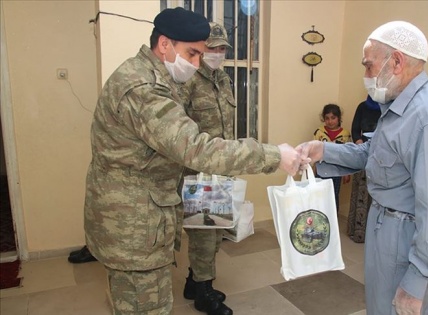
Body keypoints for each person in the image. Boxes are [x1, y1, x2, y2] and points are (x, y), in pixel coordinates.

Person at [83, 8, 300, 315]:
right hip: (135, 221)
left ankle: (201, 283)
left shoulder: (154, 76)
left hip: (150, 212)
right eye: (193, 53)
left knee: (210, 237)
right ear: (164, 45)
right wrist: (274, 155)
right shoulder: (144, 88)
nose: (197, 62)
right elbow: (194, 146)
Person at [297, 21, 428, 315]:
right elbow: (370, 153)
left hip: (405, 237)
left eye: (369, 66)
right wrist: (322, 149)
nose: (365, 75)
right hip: (384, 226)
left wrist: (418, 279)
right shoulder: (398, 105)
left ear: (397, 61)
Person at [179, 22, 237, 315]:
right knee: (203, 232)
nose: (217, 53)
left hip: (221, 168)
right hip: (198, 170)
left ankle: (195, 281)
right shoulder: (188, 79)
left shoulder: (223, 79)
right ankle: (203, 292)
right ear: (202, 49)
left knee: (216, 233)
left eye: (222, 48)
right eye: (212, 48)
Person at [347, 95, 381, 243]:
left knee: (377, 197)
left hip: (381, 156)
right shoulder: (362, 107)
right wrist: (361, 145)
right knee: (361, 193)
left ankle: (375, 236)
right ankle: (358, 232)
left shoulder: (390, 108)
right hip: (363, 154)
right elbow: (355, 130)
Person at [312, 104, 351, 212]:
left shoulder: (345, 134)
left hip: (336, 171)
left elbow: (347, 154)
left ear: (339, 118)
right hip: (321, 169)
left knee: (333, 195)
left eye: (333, 118)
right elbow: (313, 152)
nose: (330, 121)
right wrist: (312, 168)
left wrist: (346, 173)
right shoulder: (319, 133)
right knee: (319, 195)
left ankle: (333, 221)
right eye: (327, 118)